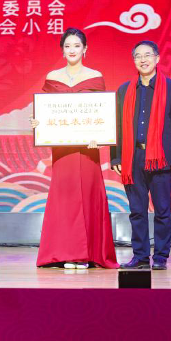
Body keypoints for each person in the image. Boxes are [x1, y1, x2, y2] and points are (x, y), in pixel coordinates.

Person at [31, 28, 118, 269]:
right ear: (62, 50)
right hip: (62, 148)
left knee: (88, 196)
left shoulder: (95, 76)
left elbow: (101, 113)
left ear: (85, 49)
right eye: (67, 46)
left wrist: (100, 136)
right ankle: (65, 253)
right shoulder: (53, 76)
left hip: (88, 148)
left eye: (76, 46)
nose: (72, 50)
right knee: (65, 197)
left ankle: (88, 254)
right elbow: (46, 110)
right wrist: (38, 122)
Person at [111, 40, 171, 271]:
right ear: (133, 60)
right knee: (137, 211)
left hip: (161, 158)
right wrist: (116, 157)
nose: (143, 60)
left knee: (162, 210)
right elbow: (116, 126)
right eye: (138, 56)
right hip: (132, 157)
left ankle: (161, 257)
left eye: (147, 55)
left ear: (157, 58)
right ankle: (141, 256)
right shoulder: (125, 90)